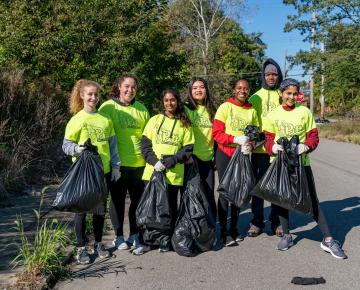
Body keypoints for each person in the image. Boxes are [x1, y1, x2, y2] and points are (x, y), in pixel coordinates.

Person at [263, 78, 347, 259]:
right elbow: (267, 138)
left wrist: (306, 146)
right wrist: (272, 148)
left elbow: (313, 137)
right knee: (282, 200)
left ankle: (328, 239)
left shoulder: (304, 112)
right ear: (281, 93)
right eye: (288, 93)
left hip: (302, 164)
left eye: (294, 94)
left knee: (312, 201)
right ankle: (287, 235)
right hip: (279, 164)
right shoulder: (272, 114)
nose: (291, 97)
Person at [62, 79, 121, 264]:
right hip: (84, 172)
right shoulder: (77, 119)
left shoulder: (105, 119)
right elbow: (66, 144)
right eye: (89, 94)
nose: (93, 97)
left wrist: (116, 166)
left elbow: (112, 145)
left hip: (102, 171)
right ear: (82, 95)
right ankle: (81, 248)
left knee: (99, 210)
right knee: (81, 211)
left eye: (96, 94)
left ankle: (97, 244)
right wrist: (77, 149)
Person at [135, 88, 194, 255]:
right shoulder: (154, 120)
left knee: (169, 209)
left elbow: (188, 149)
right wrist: (155, 162)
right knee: (150, 208)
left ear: (177, 102)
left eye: (173, 100)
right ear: (163, 102)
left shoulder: (185, 123)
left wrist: (171, 160)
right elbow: (145, 146)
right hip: (152, 173)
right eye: (166, 100)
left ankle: (165, 239)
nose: (170, 103)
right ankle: (147, 241)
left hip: (173, 176)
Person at [99, 74, 150, 251]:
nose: (130, 90)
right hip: (117, 165)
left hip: (139, 164)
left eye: (133, 87)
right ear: (119, 87)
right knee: (117, 201)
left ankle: (135, 234)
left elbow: (147, 138)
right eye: (126, 86)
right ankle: (119, 237)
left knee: (137, 201)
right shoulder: (107, 107)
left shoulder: (142, 109)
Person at [213, 79, 259, 246]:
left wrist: (251, 145)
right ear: (234, 90)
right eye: (239, 88)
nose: (242, 91)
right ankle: (224, 232)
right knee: (226, 193)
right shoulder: (225, 107)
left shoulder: (252, 110)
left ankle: (233, 228)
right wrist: (234, 139)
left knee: (239, 192)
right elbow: (216, 134)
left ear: (249, 91)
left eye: (246, 88)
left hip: (243, 155)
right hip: (225, 154)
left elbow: (257, 135)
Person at [248, 58, 284, 237]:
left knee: (276, 188)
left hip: (278, 150)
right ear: (263, 76)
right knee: (258, 187)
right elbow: (250, 121)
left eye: (274, 74)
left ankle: (276, 222)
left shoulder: (283, 94)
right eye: (268, 74)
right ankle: (256, 222)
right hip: (259, 150)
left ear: (278, 76)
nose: (271, 77)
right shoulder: (255, 96)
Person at [184, 77, 217, 218]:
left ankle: (210, 230)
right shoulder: (185, 109)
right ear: (190, 91)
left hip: (208, 159)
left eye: (202, 87)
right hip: (191, 160)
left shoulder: (212, 110)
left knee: (209, 194)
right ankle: (191, 229)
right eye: (195, 88)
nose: (198, 90)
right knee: (193, 195)